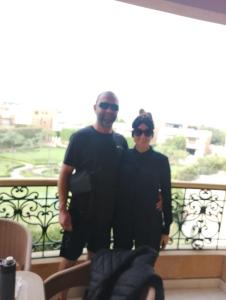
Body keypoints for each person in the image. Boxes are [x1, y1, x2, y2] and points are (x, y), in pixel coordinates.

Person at [57, 91, 128, 300]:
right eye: (104, 105)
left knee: (95, 262)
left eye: (114, 107)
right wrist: (62, 210)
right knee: (69, 259)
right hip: (78, 213)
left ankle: (91, 296)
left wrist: (156, 193)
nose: (109, 110)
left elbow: (128, 176)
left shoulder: (120, 141)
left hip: (105, 218)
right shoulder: (81, 137)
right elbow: (64, 173)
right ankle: (60, 297)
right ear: (95, 107)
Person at [114, 112, 172, 253]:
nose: (142, 136)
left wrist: (166, 230)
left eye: (147, 133)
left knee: (145, 265)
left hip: (150, 222)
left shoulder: (161, 161)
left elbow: (166, 193)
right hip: (123, 220)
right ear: (133, 134)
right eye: (139, 132)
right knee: (121, 262)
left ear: (152, 135)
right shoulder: (122, 157)